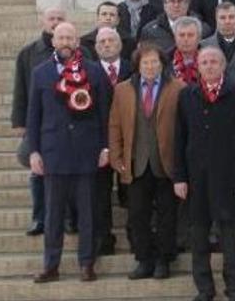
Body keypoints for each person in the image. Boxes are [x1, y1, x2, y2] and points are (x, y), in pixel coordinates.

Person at [28, 22, 111, 283]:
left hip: (86, 152)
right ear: (53, 41)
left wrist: (106, 146)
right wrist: (34, 152)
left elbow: (105, 114)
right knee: (53, 215)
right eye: (61, 37)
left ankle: (87, 263)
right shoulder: (40, 73)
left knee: (87, 213)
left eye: (70, 38)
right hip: (54, 153)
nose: (65, 42)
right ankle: (51, 265)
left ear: (78, 42)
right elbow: (33, 116)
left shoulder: (95, 71)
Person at [173, 46, 235, 301]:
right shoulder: (187, 96)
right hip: (196, 178)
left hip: (229, 176)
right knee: (199, 237)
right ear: (198, 66)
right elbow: (179, 138)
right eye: (205, 62)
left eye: (214, 62)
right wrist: (180, 177)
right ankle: (205, 289)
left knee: (231, 237)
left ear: (223, 66)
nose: (209, 66)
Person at [108, 43, 184, 280]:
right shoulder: (123, 90)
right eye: (145, 62)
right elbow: (115, 124)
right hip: (136, 162)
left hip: (166, 163)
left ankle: (164, 260)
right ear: (138, 65)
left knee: (167, 216)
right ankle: (144, 259)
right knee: (137, 215)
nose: (150, 66)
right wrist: (116, 156)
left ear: (162, 64)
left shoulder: (178, 88)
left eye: (154, 62)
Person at [12, 7, 67, 237]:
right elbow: (21, 89)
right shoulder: (29, 53)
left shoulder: (76, 51)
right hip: (40, 123)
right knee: (38, 171)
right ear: (43, 22)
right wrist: (19, 121)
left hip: (68, 122)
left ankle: (67, 218)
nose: (55, 22)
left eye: (59, 19)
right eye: (51, 19)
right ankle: (39, 218)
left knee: (67, 171)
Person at [93, 28, 133, 256]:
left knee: (131, 193)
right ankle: (104, 239)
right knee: (100, 194)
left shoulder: (132, 67)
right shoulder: (86, 71)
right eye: (102, 41)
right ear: (96, 46)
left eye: (111, 40)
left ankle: (134, 238)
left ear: (119, 44)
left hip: (130, 141)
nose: (106, 44)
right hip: (99, 143)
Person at [140, 0, 212, 52]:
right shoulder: (149, 30)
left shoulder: (203, 28)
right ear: (164, 5)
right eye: (172, 1)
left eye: (180, 1)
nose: (176, 5)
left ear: (187, 4)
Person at [168, 17, 204, 86]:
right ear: (174, 38)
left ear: (199, 38)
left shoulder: (211, 59)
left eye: (190, 35)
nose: (186, 39)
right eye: (181, 35)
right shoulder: (164, 61)